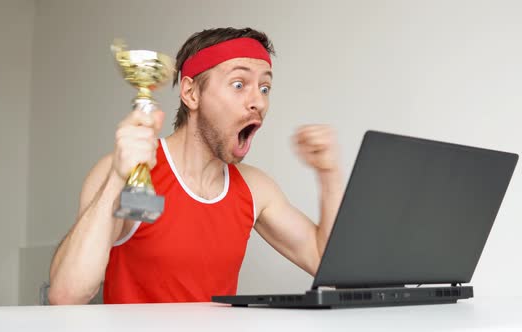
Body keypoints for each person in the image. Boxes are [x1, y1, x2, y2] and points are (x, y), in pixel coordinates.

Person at [48, 27, 344, 304]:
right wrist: (116, 178)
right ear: (191, 93)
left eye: (265, 88)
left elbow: (325, 262)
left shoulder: (255, 189)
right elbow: (66, 295)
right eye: (239, 84)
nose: (259, 102)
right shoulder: (129, 171)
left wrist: (328, 174)